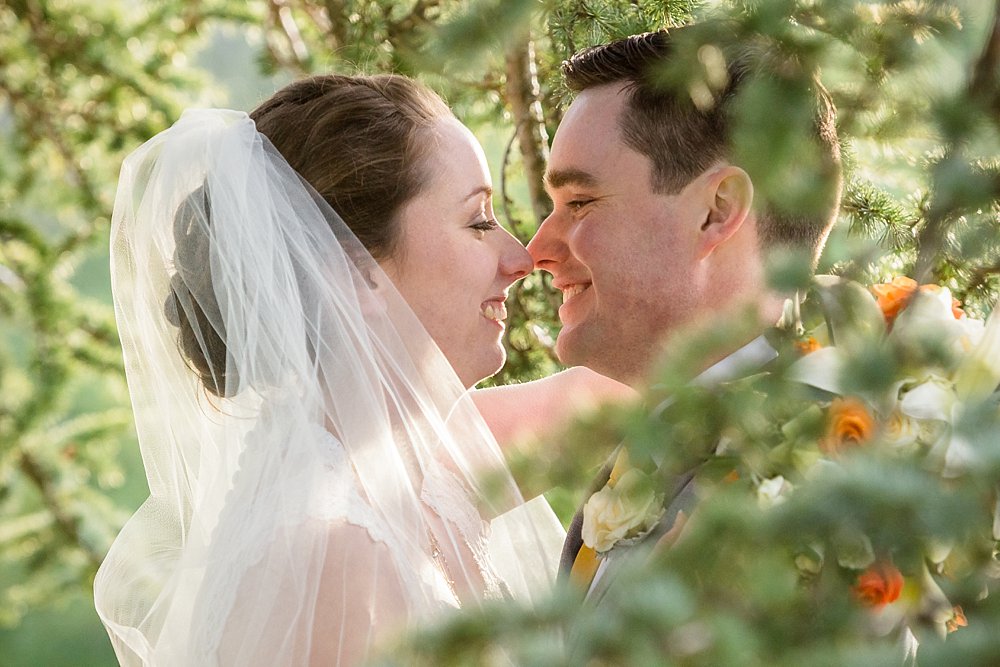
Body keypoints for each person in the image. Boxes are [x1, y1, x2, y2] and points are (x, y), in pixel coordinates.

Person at [93, 73, 623, 666]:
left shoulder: (416, 456)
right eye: (478, 220)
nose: (520, 257)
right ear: (355, 270)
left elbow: (609, 394)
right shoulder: (331, 561)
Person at [526, 27, 843, 598]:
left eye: (580, 203)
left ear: (715, 212)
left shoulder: (807, 493)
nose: (538, 249)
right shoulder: (668, 443)